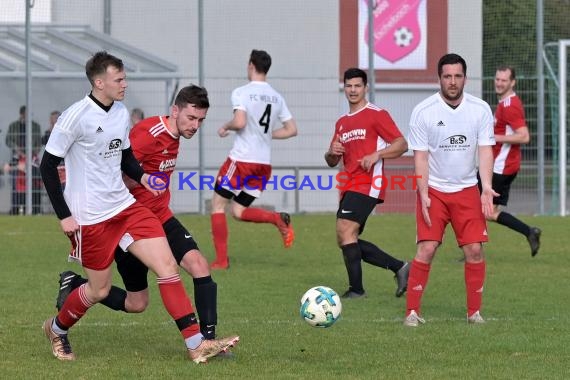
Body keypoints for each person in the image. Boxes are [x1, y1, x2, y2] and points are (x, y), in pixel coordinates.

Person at [40, 51, 238, 363]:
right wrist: (64, 215)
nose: (125, 84)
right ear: (99, 81)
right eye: (119, 79)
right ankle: (57, 328)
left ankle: (197, 345)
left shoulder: (119, 112)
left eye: (124, 78)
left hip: (127, 207)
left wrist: (144, 177)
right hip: (92, 217)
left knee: (168, 267)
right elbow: (47, 166)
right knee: (99, 291)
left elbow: (127, 158)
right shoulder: (74, 117)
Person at [55, 84, 221, 341]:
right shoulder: (148, 133)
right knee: (137, 303)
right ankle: (77, 286)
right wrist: (142, 180)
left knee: (198, 264)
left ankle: (208, 339)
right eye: (191, 118)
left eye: (201, 120)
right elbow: (117, 170)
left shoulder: (176, 135)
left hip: (161, 216)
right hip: (131, 220)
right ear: (174, 111)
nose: (195, 126)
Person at [404, 53, 496, 327]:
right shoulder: (424, 111)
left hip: (467, 189)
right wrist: (422, 192)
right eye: (447, 76)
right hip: (434, 191)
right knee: (427, 248)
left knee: (475, 251)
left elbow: (485, 150)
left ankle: (474, 313)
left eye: (457, 76)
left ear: (465, 78)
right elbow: (420, 156)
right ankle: (411, 312)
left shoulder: (479, 109)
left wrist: (486, 187)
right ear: (439, 78)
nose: (452, 82)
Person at [324, 67, 410, 299]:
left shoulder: (376, 114)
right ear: (344, 88)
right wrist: (332, 152)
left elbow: (402, 144)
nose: (353, 90)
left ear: (366, 88)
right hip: (349, 183)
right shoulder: (342, 123)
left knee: (345, 230)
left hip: (369, 181)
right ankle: (400, 267)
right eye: (349, 86)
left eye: (357, 86)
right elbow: (332, 161)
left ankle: (357, 290)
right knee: (346, 238)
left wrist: (377, 155)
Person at [210, 49, 297, 270]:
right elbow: (292, 129)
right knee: (238, 211)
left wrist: (225, 126)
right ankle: (277, 219)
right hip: (263, 164)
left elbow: (239, 122)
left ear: (251, 65)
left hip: (242, 161)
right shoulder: (277, 97)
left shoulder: (241, 92)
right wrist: (268, 134)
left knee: (218, 205)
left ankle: (221, 261)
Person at [478, 65, 541, 256]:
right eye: (497, 79)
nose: (499, 83)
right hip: (503, 166)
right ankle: (529, 231)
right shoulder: (504, 103)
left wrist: (494, 138)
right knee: (487, 212)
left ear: (512, 82)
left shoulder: (510, 106)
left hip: (499, 167)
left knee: (475, 206)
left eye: (504, 80)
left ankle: (473, 252)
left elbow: (524, 136)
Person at [5, 105, 42, 214]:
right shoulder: (13, 126)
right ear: (21, 114)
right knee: (16, 183)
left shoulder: (36, 126)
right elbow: (8, 140)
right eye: (27, 114)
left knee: (35, 182)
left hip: (32, 158)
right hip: (17, 157)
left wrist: (31, 153)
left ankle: (35, 209)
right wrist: (18, 150)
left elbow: (38, 143)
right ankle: (15, 208)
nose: (29, 116)